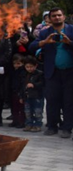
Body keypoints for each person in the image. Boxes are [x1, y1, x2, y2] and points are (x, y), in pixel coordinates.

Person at [29, 7, 73, 138]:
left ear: (64, 17)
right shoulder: (45, 32)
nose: (57, 18)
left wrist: (69, 42)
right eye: (54, 16)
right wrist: (44, 42)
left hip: (69, 72)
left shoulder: (71, 30)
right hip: (52, 72)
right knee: (52, 100)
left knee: (69, 101)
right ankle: (52, 126)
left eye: (59, 15)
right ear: (50, 18)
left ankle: (67, 128)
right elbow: (32, 47)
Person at [21, 56, 44, 133]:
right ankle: (29, 124)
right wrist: (21, 96)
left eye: (31, 67)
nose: (29, 69)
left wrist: (34, 85)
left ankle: (37, 125)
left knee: (37, 111)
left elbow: (42, 83)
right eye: (27, 67)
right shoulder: (24, 74)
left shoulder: (39, 74)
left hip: (37, 96)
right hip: (27, 96)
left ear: (35, 66)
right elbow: (22, 86)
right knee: (27, 111)